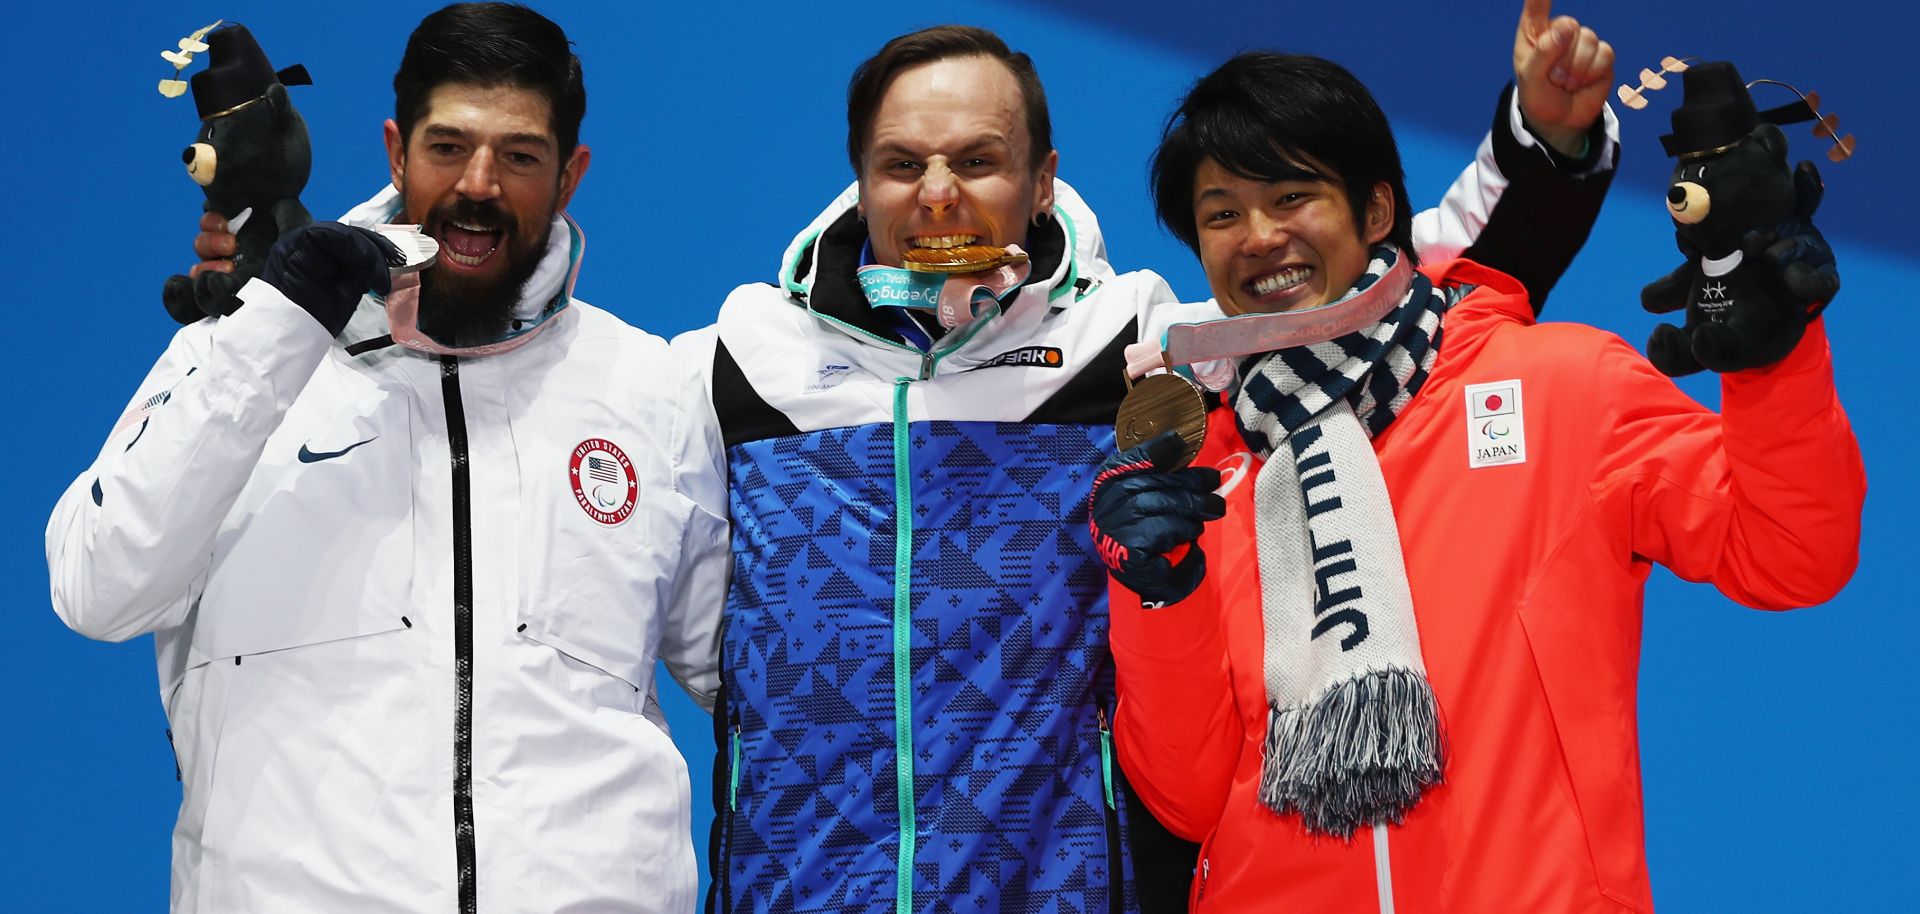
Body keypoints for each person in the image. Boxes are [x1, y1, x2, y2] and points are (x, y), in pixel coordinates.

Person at [675, 3, 1619, 909]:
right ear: (858, 176)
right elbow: (697, 640)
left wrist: (1538, 145)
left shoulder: (1137, 341)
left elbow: (1364, 293)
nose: (937, 193)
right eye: (902, 163)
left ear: (1041, 180)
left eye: (978, 161)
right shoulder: (736, 365)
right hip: (798, 883)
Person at [1091, 46, 1863, 912]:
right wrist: (1160, 597)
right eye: (1222, 213)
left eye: (1292, 195)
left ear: (1376, 207)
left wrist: (1774, 365)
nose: (1260, 237)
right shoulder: (1203, 475)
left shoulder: (1559, 388)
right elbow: (1186, 797)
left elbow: (1793, 551)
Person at [45, 5, 726, 912]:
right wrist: (280, 324)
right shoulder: (245, 353)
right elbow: (97, 590)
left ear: (570, 177)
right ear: (396, 152)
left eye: (520, 156)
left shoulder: (652, 388)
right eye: (448, 147)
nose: (478, 185)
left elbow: (765, 684)